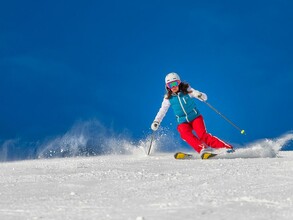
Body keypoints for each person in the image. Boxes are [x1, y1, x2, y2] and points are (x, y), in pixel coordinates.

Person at [151, 72, 233, 156]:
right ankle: (202, 148)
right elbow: (162, 110)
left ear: (179, 83)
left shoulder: (187, 90)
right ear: (167, 87)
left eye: (175, 83)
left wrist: (200, 95)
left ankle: (226, 148)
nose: (173, 87)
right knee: (184, 134)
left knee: (202, 135)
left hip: (195, 118)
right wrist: (156, 121)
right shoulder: (168, 98)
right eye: (170, 85)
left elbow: (204, 97)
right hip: (182, 121)